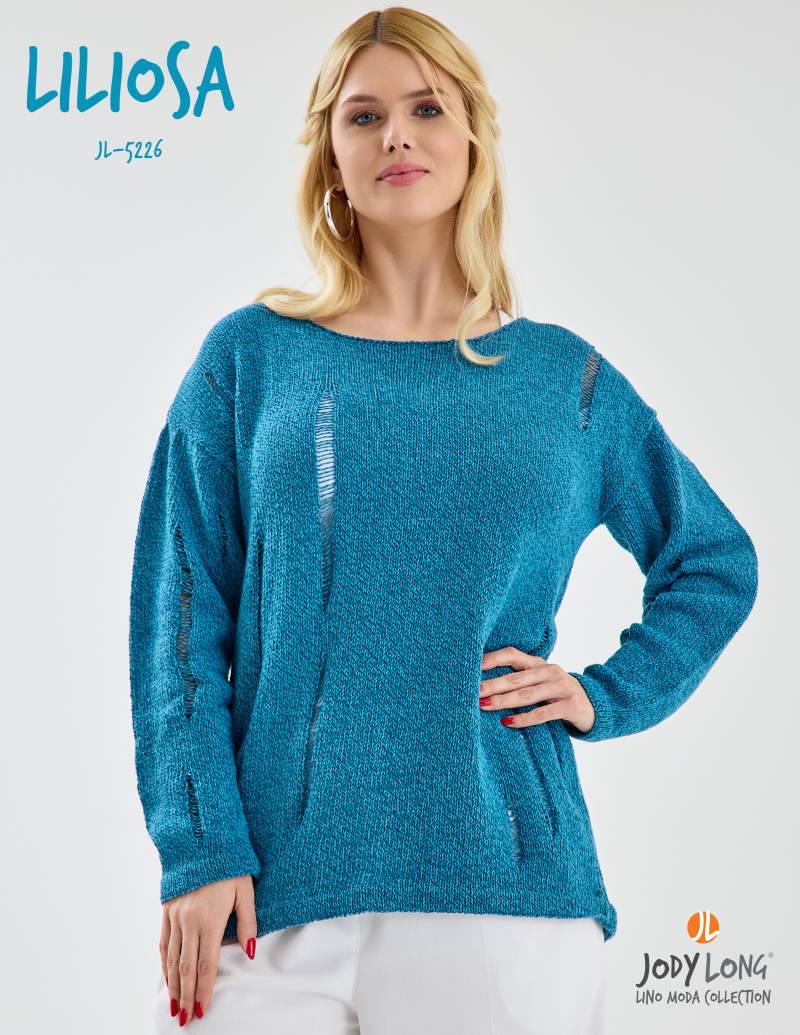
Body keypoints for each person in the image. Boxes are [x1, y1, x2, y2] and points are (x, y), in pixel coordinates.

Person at [128, 8, 759, 1033]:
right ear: (331, 159)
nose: (396, 135)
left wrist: (601, 694)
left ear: (472, 140)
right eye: (363, 115)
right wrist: (198, 845)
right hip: (267, 907)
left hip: (504, 906)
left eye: (427, 108)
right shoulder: (249, 358)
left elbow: (714, 561)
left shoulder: (563, 381)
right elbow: (180, 618)